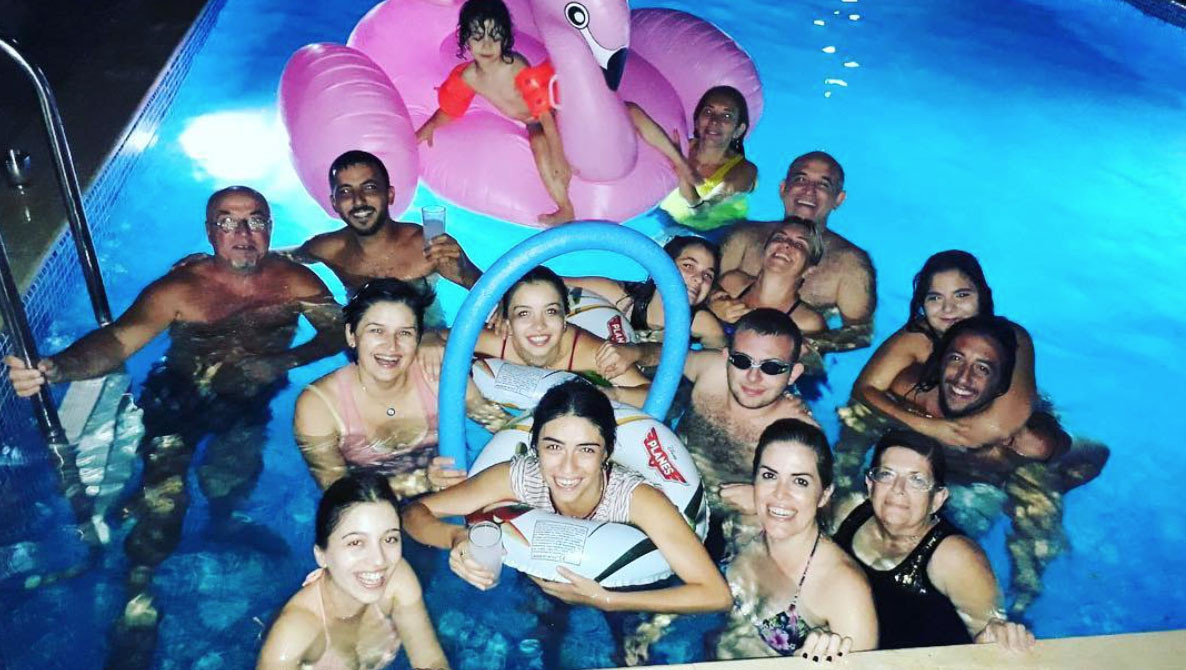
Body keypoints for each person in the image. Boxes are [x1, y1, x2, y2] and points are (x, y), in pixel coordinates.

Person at [4, 186, 343, 669]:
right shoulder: (181, 289)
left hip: (246, 402)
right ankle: (138, 592)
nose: (242, 232)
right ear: (209, 232)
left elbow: (338, 331)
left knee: (234, 477)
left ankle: (224, 522)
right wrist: (55, 368)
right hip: (177, 402)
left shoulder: (298, 283)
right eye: (227, 221)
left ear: (270, 228)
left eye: (254, 220)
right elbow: (118, 340)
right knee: (164, 504)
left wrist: (281, 361)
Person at [402, 380, 731, 666]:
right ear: (536, 447)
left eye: (586, 450)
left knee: (630, 652)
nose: (568, 468)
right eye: (553, 447)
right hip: (547, 577)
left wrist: (607, 600)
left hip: (629, 585)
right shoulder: (519, 478)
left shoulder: (637, 499)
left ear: (606, 452)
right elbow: (415, 513)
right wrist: (456, 537)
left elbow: (716, 594)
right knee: (543, 642)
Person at [414, 0, 699, 226]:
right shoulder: (466, 77)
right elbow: (452, 107)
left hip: (555, 107)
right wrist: (429, 127)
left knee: (630, 112)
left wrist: (559, 155)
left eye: (495, 36)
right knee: (537, 143)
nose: (487, 46)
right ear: (466, 38)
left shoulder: (517, 68)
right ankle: (565, 207)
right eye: (478, 37)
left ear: (506, 39)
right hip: (532, 120)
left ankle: (680, 164)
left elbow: (546, 116)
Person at [294, 279, 507, 497]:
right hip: (373, 506)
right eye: (377, 331)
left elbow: (500, 423)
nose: (391, 346)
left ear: (419, 337)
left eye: (404, 333)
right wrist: (421, 482)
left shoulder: (437, 375)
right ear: (351, 335)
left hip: (449, 489)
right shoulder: (319, 405)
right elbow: (337, 493)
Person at [831, 429, 1036, 652]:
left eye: (917, 480)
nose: (898, 489)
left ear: (937, 499)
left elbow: (988, 633)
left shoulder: (955, 557)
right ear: (871, 485)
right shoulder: (848, 514)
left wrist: (998, 633)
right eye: (886, 474)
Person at [716, 419, 877, 661]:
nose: (780, 494)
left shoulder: (845, 589)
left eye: (800, 481)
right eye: (769, 476)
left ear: (824, 495)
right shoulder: (745, 525)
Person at [257, 473, 449, 670]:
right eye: (356, 542)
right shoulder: (293, 637)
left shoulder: (397, 579)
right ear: (321, 556)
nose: (379, 560)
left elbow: (431, 661)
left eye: (390, 539)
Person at [670, 309, 816, 559]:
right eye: (742, 361)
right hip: (664, 479)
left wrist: (763, 501)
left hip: (724, 518)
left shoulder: (798, 434)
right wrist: (631, 353)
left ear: (793, 374)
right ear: (727, 357)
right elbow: (663, 356)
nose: (753, 377)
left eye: (772, 367)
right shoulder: (712, 371)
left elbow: (820, 505)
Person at [289, 150, 481, 327]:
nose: (358, 200)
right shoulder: (329, 249)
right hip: (367, 343)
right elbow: (287, 257)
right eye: (345, 191)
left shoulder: (427, 246)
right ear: (334, 203)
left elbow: (489, 291)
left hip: (427, 339)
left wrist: (463, 269)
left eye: (369, 188)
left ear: (389, 195)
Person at [718, 151, 875, 353]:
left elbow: (861, 333)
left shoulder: (849, 263)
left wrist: (808, 344)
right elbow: (701, 283)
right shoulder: (743, 237)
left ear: (839, 199)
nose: (809, 190)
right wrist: (714, 302)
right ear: (783, 188)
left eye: (823, 185)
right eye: (801, 179)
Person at [474, 265, 653, 407]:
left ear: (565, 318)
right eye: (524, 314)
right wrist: (475, 403)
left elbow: (653, 394)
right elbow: (452, 345)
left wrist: (614, 395)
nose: (539, 326)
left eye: (551, 311)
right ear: (507, 322)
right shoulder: (494, 341)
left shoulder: (593, 354)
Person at [565, 235, 727, 350]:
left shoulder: (702, 325)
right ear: (661, 266)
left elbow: (720, 370)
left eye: (708, 275)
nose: (698, 279)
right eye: (688, 266)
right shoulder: (618, 297)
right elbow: (553, 282)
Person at [657, 86, 757, 234]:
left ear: (738, 130)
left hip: (717, 234)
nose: (715, 121)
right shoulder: (680, 146)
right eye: (708, 112)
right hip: (666, 222)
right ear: (697, 122)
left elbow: (701, 211)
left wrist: (679, 164)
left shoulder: (744, 172)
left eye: (727, 116)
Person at [710, 217, 826, 336]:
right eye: (779, 238)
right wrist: (711, 306)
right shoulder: (731, 284)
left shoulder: (807, 323)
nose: (786, 244)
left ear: (809, 270)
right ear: (765, 249)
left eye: (799, 244)